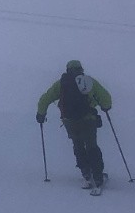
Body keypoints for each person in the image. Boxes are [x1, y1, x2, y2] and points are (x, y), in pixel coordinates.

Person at [37, 59, 113, 191]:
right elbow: (105, 97)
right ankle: (98, 175)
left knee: (78, 145)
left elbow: (45, 98)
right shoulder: (89, 82)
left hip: (69, 121)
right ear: (81, 69)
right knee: (91, 146)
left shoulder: (61, 84)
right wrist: (106, 107)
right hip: (88, 120)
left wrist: (41, 114)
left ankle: (86, 174)